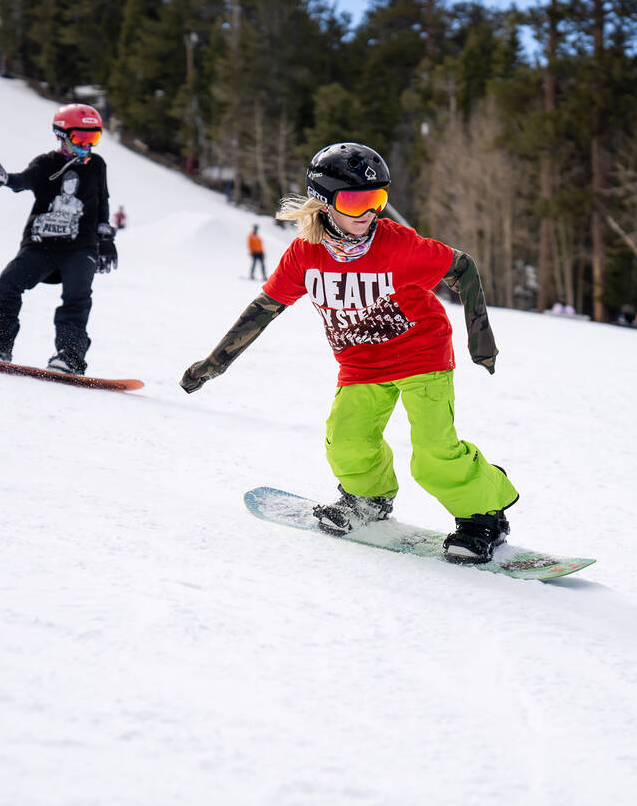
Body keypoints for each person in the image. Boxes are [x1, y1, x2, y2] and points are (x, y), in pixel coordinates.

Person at [181, 142, 518, 564]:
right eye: (356, 202)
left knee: (434, 451)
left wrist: (480, 339)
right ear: (323, 203)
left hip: (422, 356)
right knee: (346, 440)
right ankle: (368, 499)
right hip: (361, 364)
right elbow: (265, 308)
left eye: (377, 200)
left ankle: (484, 516)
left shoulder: (399, 245)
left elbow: (462, 268)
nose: (370, 213)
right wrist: (215, 363)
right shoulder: (305, 255)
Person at [0, 103, 118, 375]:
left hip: (80, 247)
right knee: (7, 286)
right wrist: (5, 179)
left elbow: (102, 202)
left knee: (77, 298)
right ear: (61, 136)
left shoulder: (97, 165)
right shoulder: (47, 164)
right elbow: (24, 180)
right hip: (41, 244)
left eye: (93, 138)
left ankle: (70, 357)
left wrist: (105, 239)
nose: (87, 146)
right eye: (81, 138)